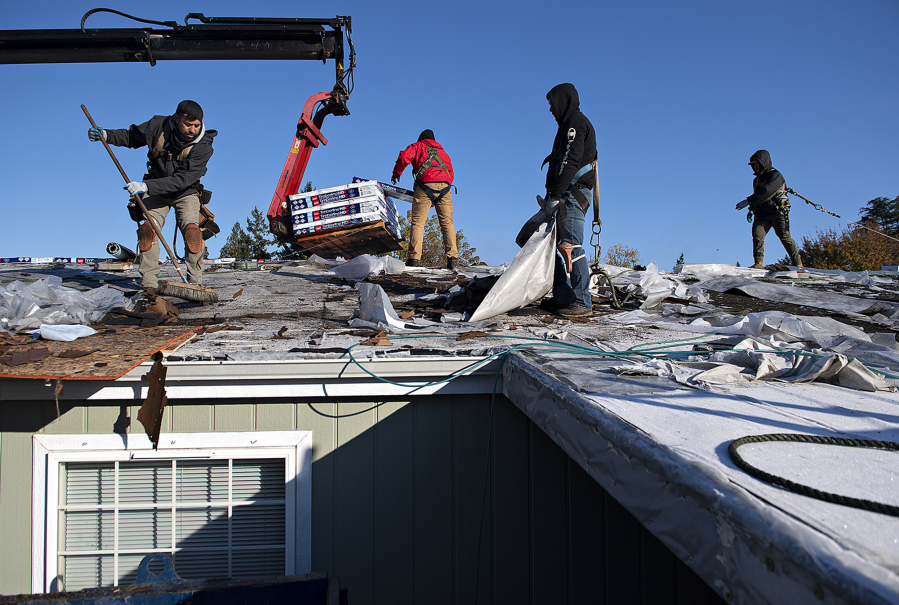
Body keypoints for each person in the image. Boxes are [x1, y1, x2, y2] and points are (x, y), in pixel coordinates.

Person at [88, 100, 217, 294]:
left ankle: (195, 283)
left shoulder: (203, 146)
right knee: (147, 230)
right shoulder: (158, 126)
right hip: (156, 189)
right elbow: (132, 137)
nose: (192, 130)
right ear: (176, 119)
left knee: (192, 231)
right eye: (188, 125)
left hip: (185, 191)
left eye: (196, 126)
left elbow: (182, 179)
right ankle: (149, 285)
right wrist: (107, 135)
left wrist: (145, 186)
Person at [540, 83, 597, 318]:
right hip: (564, 195)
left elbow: (570, 162)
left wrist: (555, 195)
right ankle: (563, 297)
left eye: (552, 103)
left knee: (571, 246)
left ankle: (582, 302)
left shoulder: (575, 124)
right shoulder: (567, 126)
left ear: (563, 101)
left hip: (572, 195)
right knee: (554, 246)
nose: (550, 109)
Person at [391, 130, 458, 269]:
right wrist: (440, 187)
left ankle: (413, 259)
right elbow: (451, 174)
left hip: (424, 186)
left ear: (421, 138)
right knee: (447, 223)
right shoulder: (444, 153)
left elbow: (404, 157)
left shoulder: (418, 146)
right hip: (445, 188)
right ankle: (452, 260)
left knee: (418, 222)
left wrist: (396, 173)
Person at [735, 150, 802, 269]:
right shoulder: (756, 181)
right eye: (753, 165)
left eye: (757, 164)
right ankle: (758, 263)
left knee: (784, 236)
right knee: (757, 235)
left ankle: (798, 263)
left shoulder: (775, 175)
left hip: (778, 211)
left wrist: (748, 201)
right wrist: (752, 208)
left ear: (763, 162)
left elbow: (767, 191)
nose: (755, 167)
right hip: (762, 213)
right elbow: (758, 196)